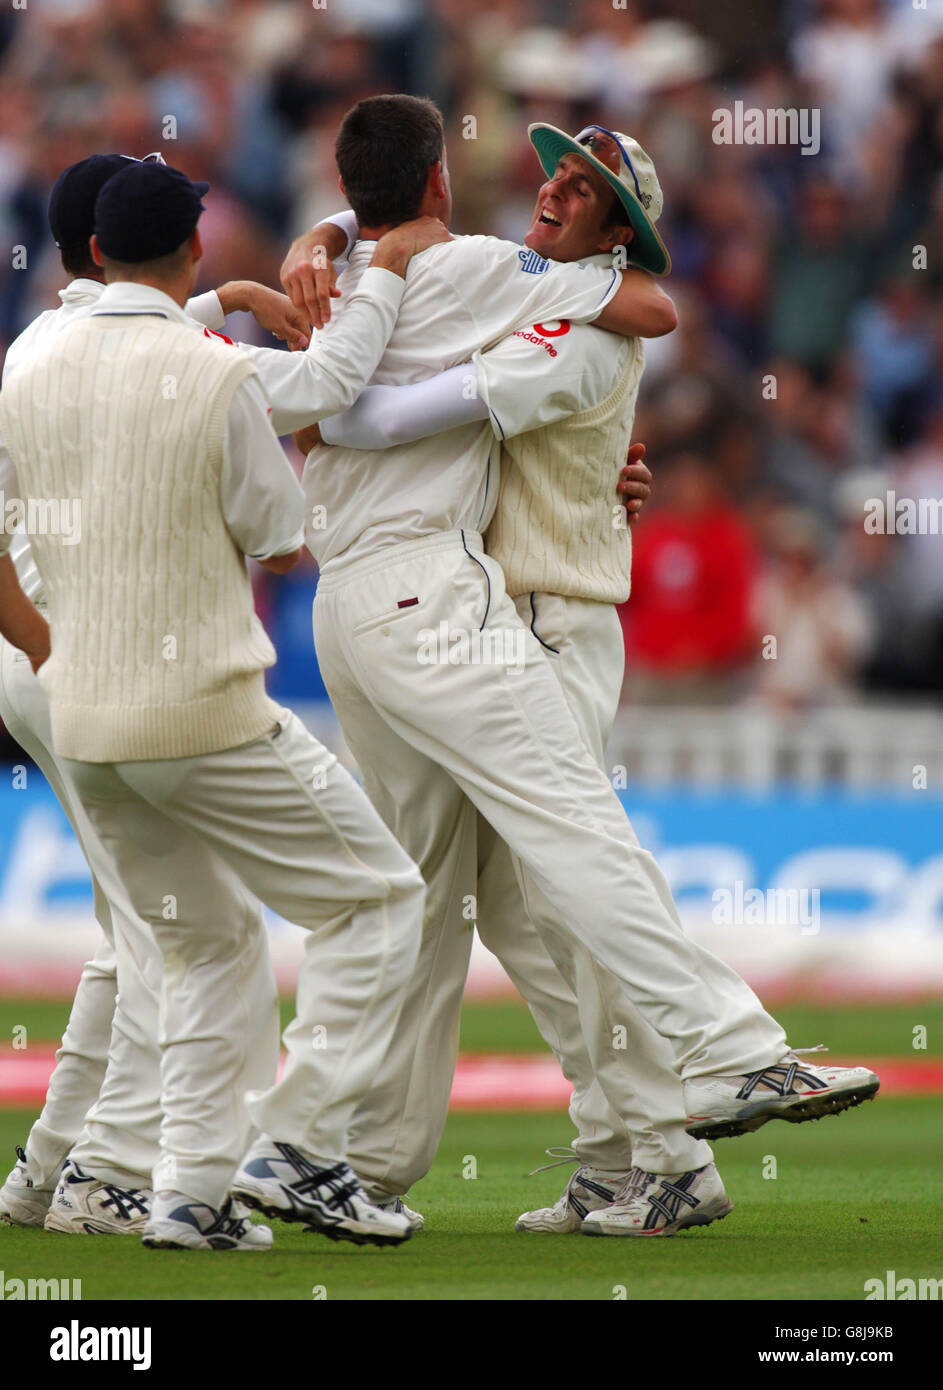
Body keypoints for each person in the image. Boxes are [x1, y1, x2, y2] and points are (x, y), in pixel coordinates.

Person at [234, 95, 878, 1238]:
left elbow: (646, 307)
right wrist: (332, 239)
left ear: (618, 226)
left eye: (582, 188)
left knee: (531, 885)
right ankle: (587, 1140)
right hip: (462, 609)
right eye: (555, 172)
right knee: (478, 903)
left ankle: (662, 1111)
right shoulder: (492, 281)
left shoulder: (574, 317)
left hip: (545, 618)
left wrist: (322, 325)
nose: (551, 188)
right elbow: (422, 274)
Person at [0, 158, 448, 1250]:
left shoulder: (28, 358)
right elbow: (281, 534)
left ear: (96, 252)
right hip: (202, 709)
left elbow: (123, 354)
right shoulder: (218, 377)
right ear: (193, 249)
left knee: (197, 943)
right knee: (380, 898)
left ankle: (186, 1195)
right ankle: (291, 1142)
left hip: (84, 713)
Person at [0, 151, 310, 1236]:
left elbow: (163, 316)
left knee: (135, 931)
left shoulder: (42, 341)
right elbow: (284, 488)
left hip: (45, 665)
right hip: (101, 666)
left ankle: (53, 1169)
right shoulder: (158, 353)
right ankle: (112, 1174)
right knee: (176, 932)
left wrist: (227, 297)